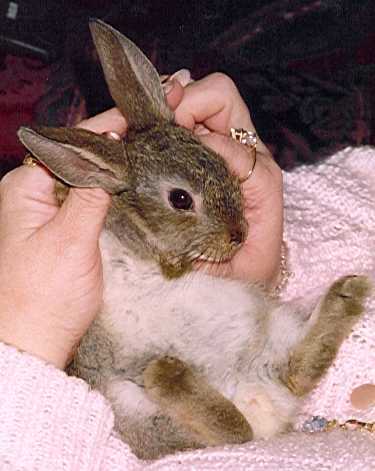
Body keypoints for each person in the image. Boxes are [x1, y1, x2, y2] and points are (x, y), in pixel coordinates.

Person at [0, 72, 374, 470]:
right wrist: (280, 255)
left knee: (130, 390)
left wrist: (24, 346)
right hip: (219, 358)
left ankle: (223, 417)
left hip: (176, 388)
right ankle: (281, 374)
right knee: (134, 388)